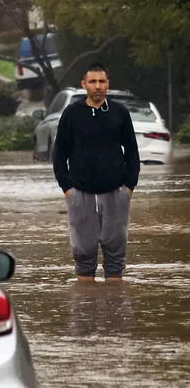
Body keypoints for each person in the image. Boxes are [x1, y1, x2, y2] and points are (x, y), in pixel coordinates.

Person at [52, 62, 140, 283]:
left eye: (101, 81)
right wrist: (67, 188)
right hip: (80, 192)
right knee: (83, 252)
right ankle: (85, 301)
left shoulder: (120, 113)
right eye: (93, 81)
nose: (98, 86)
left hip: (116, 191)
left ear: (108, 84)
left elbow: (132, 151)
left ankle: (115, 300)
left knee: (116, 253)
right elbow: (59, 154)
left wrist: (129, 187)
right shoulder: (72, 114)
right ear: (84, 84)